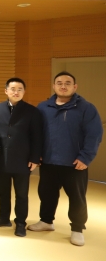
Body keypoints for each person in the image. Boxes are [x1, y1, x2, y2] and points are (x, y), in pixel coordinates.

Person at [29, 71, 103, 246]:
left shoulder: (86, 108)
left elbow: (94, 134)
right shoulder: (43, 107)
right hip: (48, 161)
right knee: (46, 194)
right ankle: (46, 221)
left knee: (77, 198)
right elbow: (37, 133)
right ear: (54, 86)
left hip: (74, 163)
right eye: (59, 83)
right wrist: (37, 153)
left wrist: (85, 157)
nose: (63, 86)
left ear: (74, 86)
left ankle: (77, 229)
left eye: (67, 83)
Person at [0, 77, 43, 237]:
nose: (16, 92)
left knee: (21, 194)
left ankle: (20, 222)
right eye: (13, 89)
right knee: (2, 192)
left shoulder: (32, 111)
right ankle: (3, 218)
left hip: (23, 160)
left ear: (24, 92)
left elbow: (37, 137)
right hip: (2, 159)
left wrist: (35, 158)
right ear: (6, 91)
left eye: (20, 89)